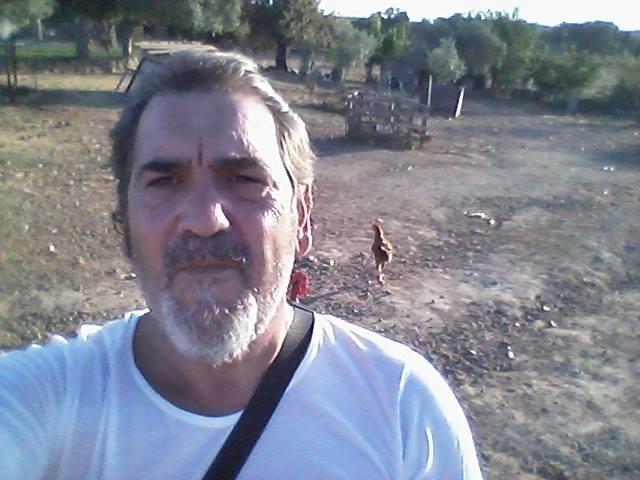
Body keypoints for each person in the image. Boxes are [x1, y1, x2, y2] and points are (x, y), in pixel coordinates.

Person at [0, 51, 483, 479]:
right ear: (124, 222)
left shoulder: (402, 404)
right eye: (165, 182)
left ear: (302, 218)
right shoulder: (44, 396)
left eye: (245, 179)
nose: (205, 220)